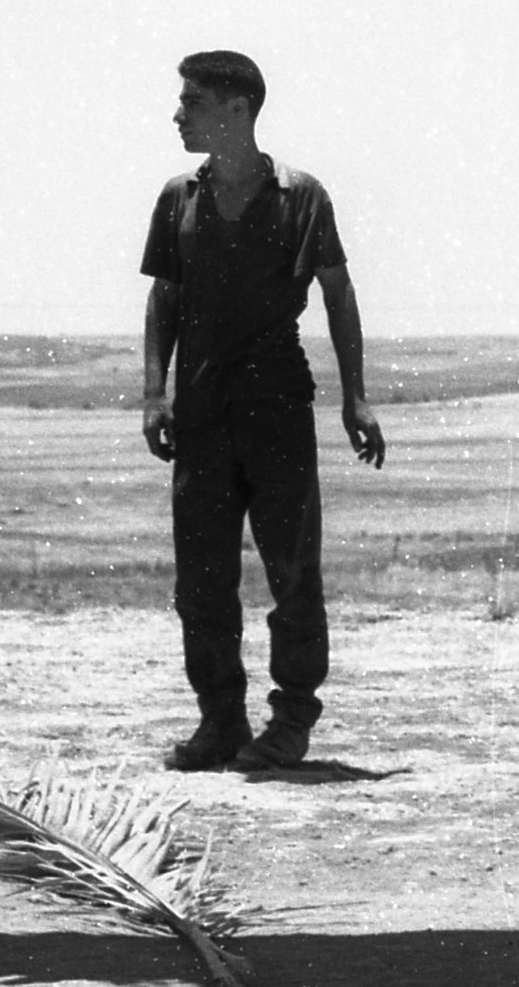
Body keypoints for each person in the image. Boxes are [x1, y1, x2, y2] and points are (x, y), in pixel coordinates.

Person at [138, 46, 384, 772]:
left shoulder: (300, 194)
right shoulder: (177, 196)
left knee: (291, 573)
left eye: (192, 102)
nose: (178, 114)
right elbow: (164, 298)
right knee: (201, 582)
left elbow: (337, 293)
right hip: (202, 411)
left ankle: (290, 722)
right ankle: (219, 722)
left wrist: (356, 396)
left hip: (277, 404)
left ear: (235, 109)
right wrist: (155, 391)